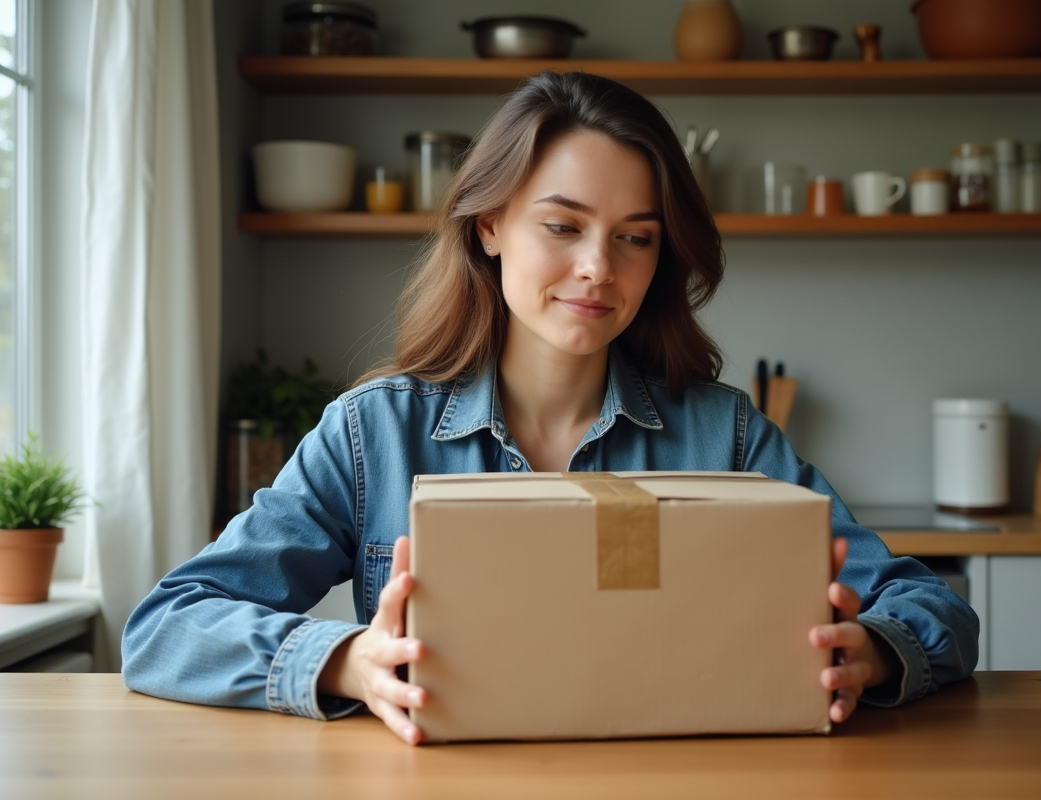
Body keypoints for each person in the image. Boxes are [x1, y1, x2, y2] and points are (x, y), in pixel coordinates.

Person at [122, 71, 978, 745]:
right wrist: (346, 659)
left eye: (635, 237)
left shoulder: (728, 434)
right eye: (563, 226)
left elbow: (930, 606)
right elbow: (166, 627)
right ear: (490, 224)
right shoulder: (371, 432)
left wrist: (873, 652)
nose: (600, 268)